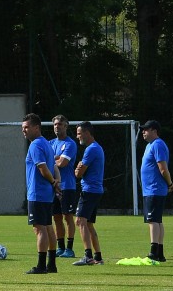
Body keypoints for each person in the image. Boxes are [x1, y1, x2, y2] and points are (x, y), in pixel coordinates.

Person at [23, 113, 62, 275]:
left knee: (39, 229)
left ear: (36, 127)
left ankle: (40, 266)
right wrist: (56, 181)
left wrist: (53, 182)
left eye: (26, 127)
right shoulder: (46, 143)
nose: (24, 130)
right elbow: (54, 166)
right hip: (46, 193)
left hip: (37, 193)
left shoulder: (35, 145)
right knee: (47, 227)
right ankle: (51, 264)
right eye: (22, 128)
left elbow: (43, 168)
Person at [140, 120, 173, 262]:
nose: (143, 132)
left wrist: (170, 183)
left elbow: (162, 168)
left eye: (146, 129)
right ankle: (160, 253)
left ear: (154, 130)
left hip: (154, 189)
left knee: (153, 220)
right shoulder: (150, 145)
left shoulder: (158, 144)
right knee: (157, 221)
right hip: (151, 189)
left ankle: (153, 252)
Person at [72, 121, 105, 266]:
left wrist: (77, 169)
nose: (78, 136)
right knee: (89, 223)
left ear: (87, 133)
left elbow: (79, 173)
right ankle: (98, 257)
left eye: (79, 133)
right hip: (95, 190)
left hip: (89, 190)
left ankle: (88, 256)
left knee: (79, 221)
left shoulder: (91, 149)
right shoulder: (97, 148)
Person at [49, 115, 78, 257]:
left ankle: (69, 248)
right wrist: (57, 157)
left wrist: (53, 159)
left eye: (60, 124)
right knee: (56, 217)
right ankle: (60, 247)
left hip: (67, 186)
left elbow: (62, 164)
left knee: (68, 217)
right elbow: (45, 162)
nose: (57, 126)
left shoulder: (70, 144)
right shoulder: (50, 143)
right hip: (53, 186)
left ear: (66, 126)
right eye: (55, 124)